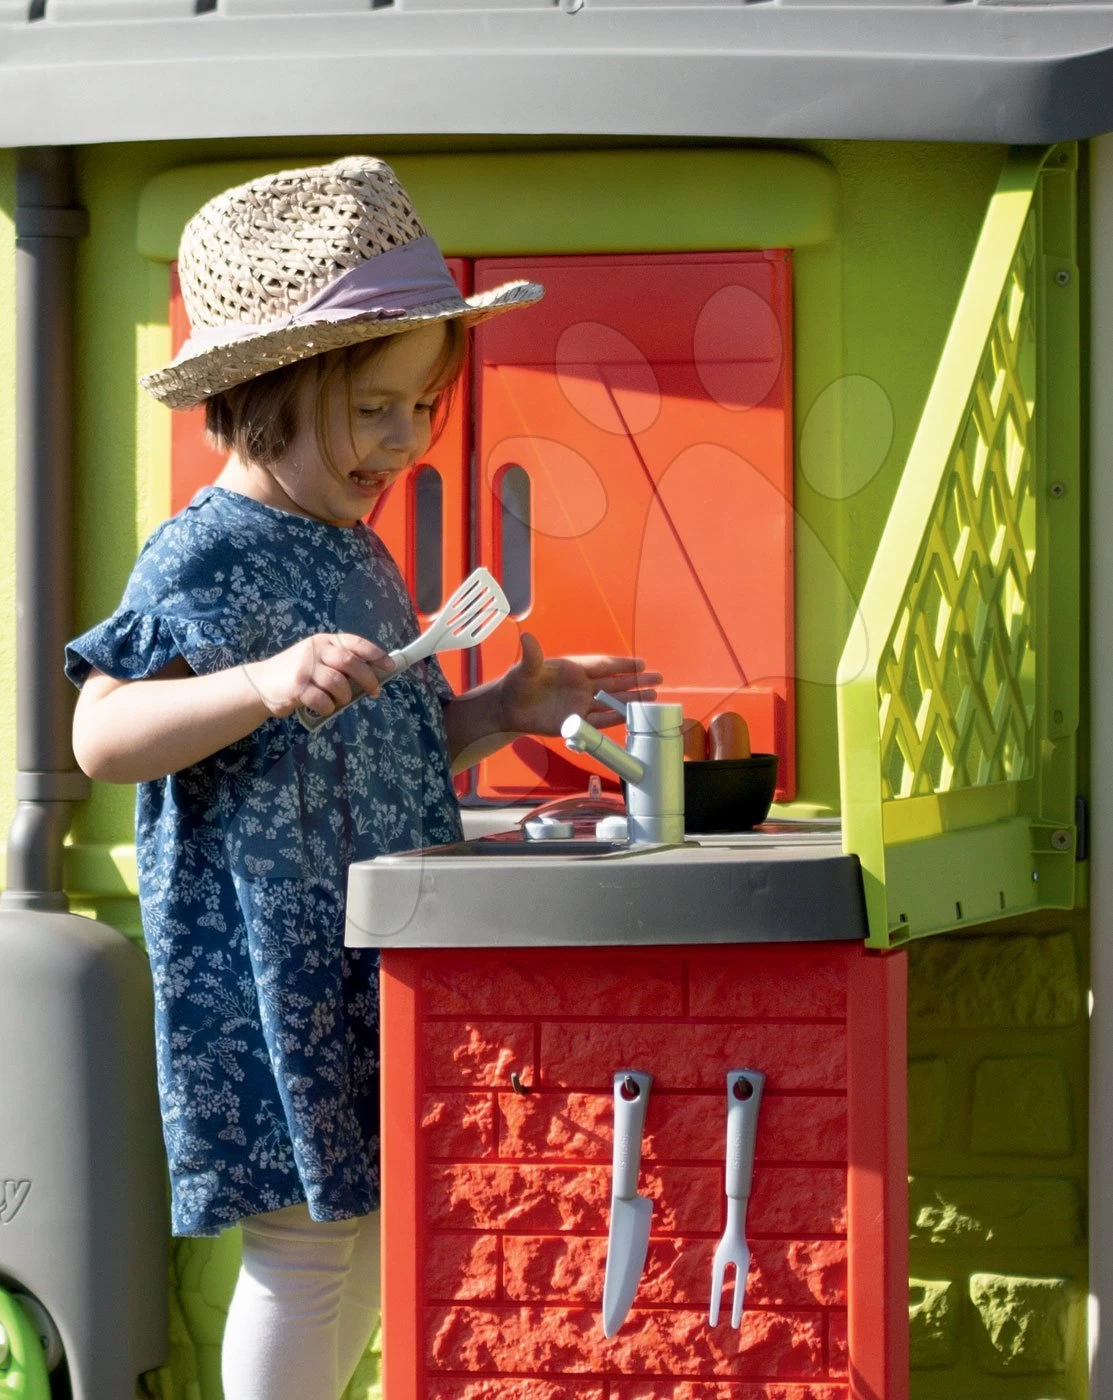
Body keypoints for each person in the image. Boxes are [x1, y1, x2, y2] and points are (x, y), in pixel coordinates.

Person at [63, 157, 659, 1400]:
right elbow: (102, 737)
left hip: (368, 946)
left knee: (366, 1236)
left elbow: (386, 746)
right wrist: (259, 683)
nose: (409, 440)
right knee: (305, 1243)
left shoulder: (355, 550)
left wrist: (503, 707)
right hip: (271, 967)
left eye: (422, 407)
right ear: (270, 393)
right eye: (377, 408)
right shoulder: (205, 553)